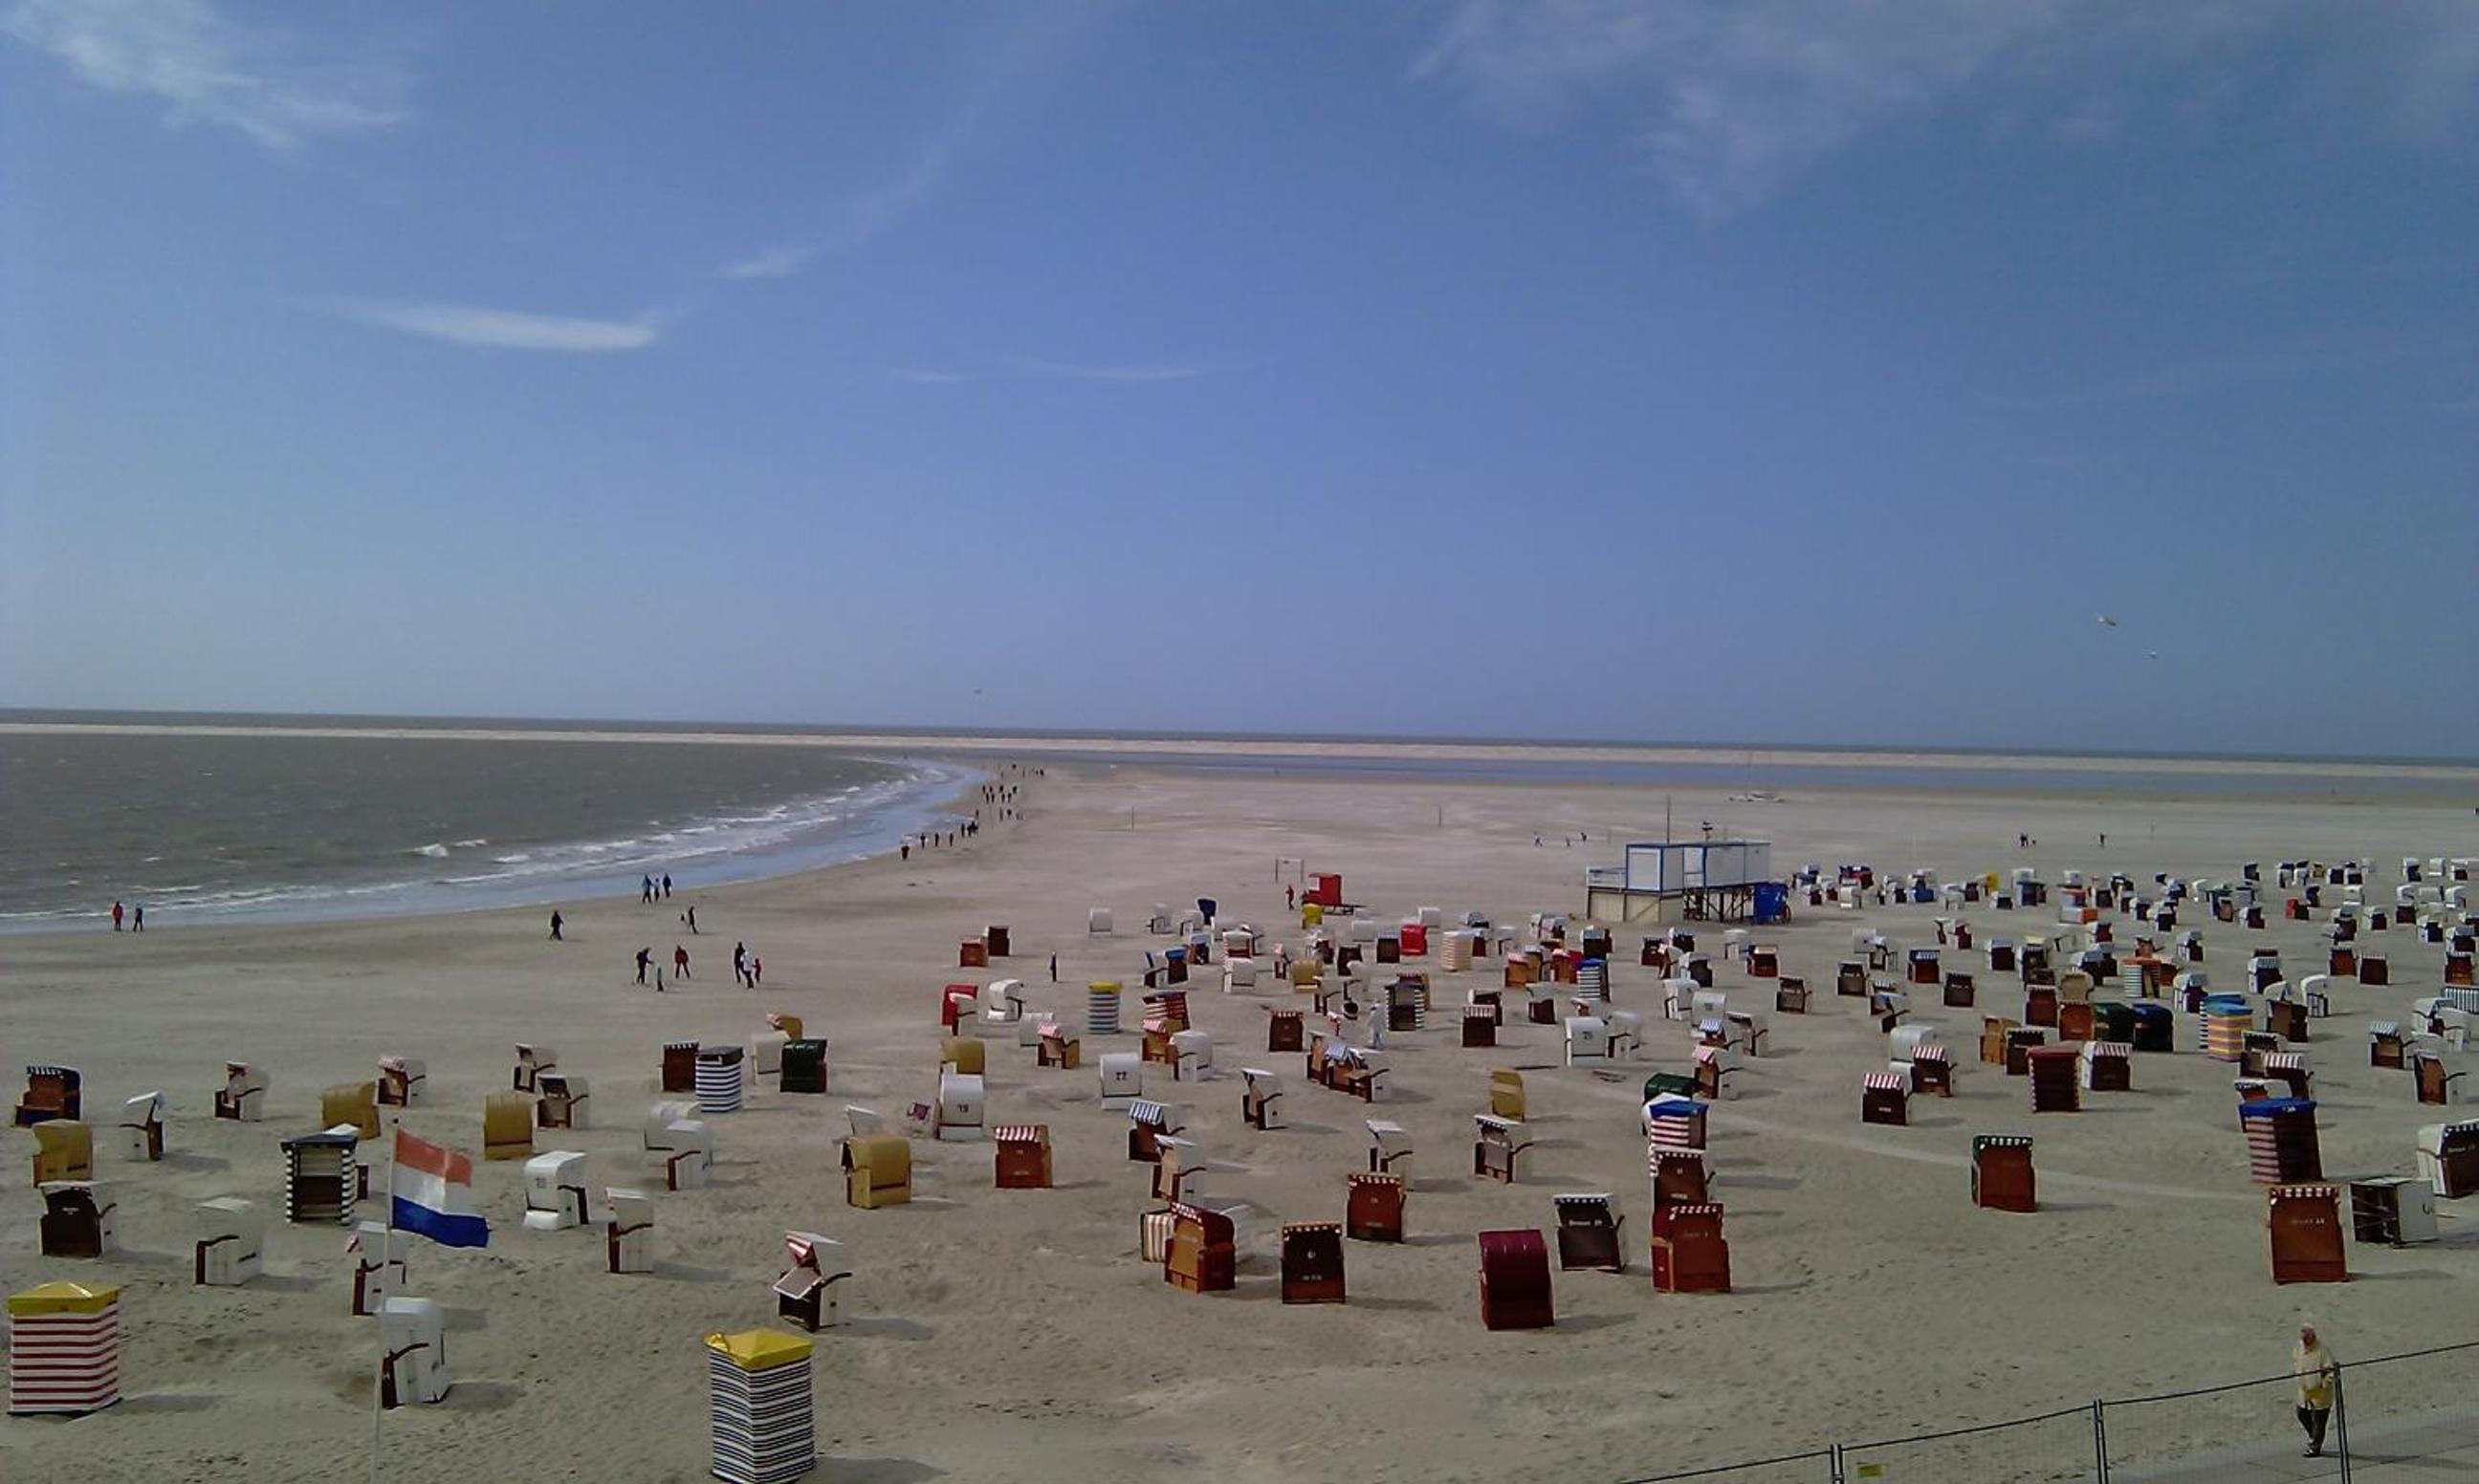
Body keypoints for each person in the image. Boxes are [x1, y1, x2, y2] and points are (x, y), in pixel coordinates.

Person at [2293, 1324, 2336, 1457]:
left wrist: (2323, 1384)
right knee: (2302, 1414)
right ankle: (2314, 1436)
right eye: (2303, 1338)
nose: (2305, 1340)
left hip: (2320, 1394)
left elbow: (2331, 1372)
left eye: (2307, 1338)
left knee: (2319, 1420)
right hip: (2305, 1391)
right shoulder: (2299, 1347)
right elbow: (2296, 1360)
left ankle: (2315, 1447)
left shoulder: (2322, 1351)